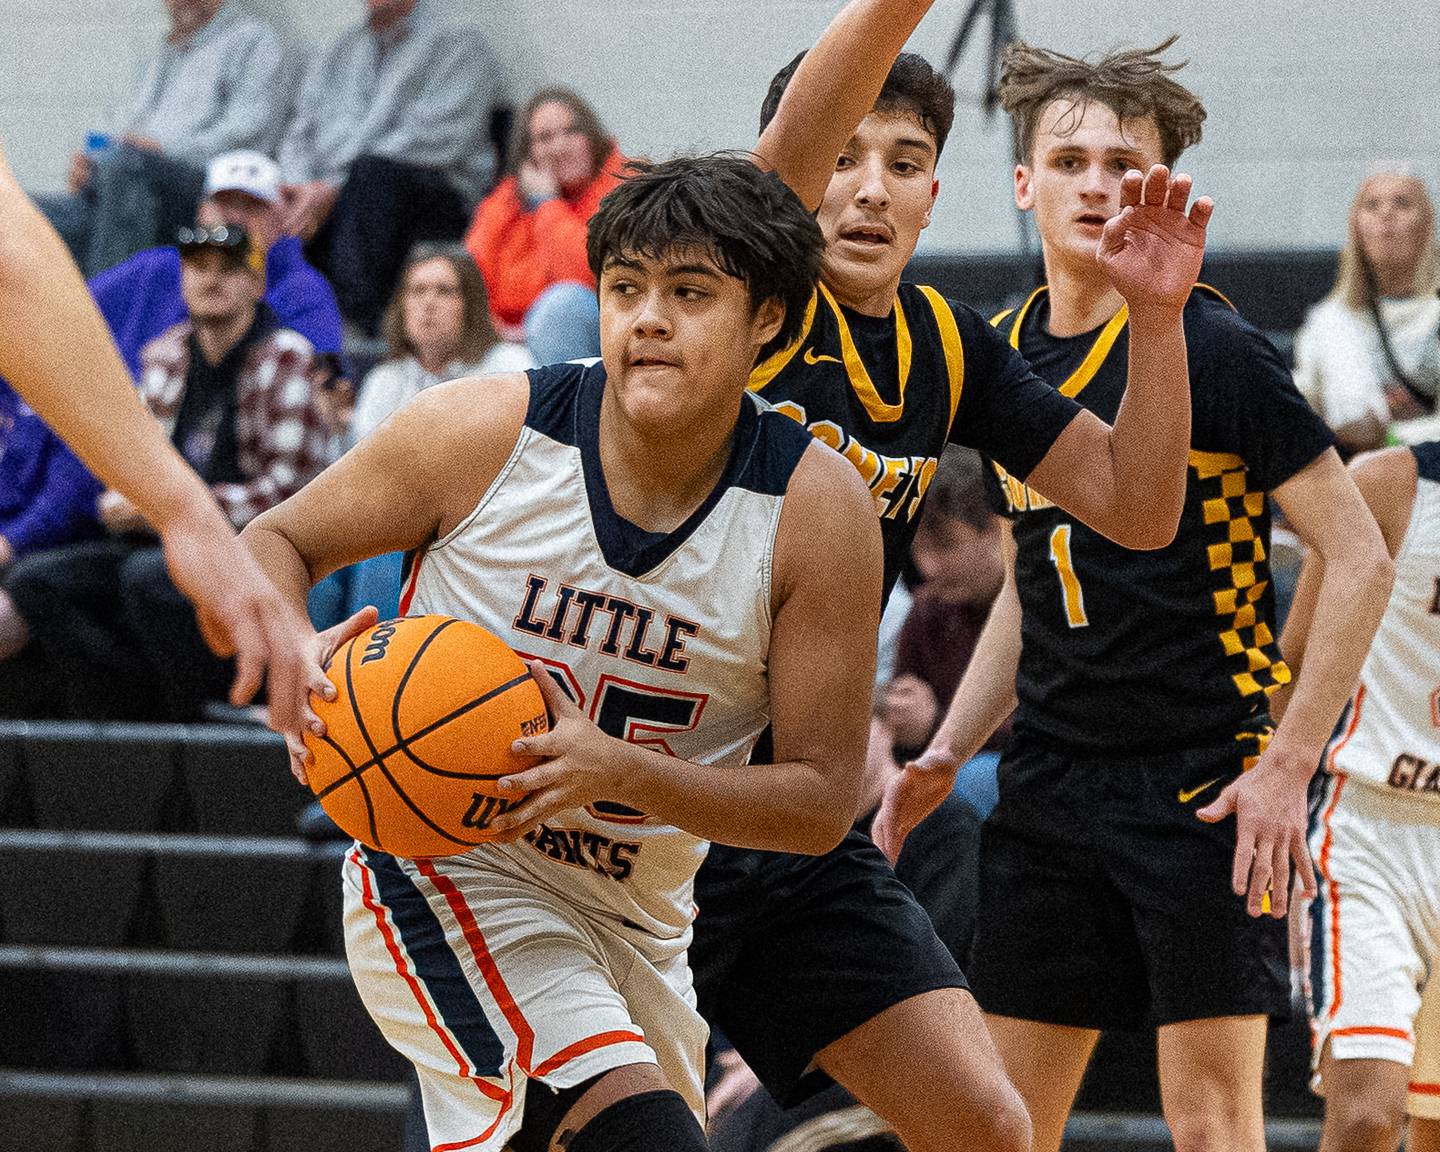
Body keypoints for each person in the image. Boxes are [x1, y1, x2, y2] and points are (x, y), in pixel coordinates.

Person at [243, 152, 881, 1152]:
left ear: (768, 319)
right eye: (624, 288)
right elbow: (270, 542)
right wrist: (297, 664)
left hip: (638, 920)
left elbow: (820, 801)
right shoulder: (483, 434)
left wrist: (624, 771)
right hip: (446, 873)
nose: (647, 319)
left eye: (689, 292)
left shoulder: (818, 515)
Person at [690, 33, 1213, 1152]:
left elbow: (1138, 505)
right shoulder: (745, 288)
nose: (872, 187)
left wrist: (1158, 327)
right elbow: (796, 136)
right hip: (656, 778)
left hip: (798, 813)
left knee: (990, 1126)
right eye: (844, 155)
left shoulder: (946, 343)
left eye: (907, 158)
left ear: (938, 192)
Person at [876, 39, 1394, 1152]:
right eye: (1069, 161)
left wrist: (1289, 764)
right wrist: (949, 748)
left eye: (1127, 163)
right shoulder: (1005, 352)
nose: (1098, 184)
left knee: (1211, 1126)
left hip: (1205, 779)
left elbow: (1359, 557)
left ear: (1164, 188)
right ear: (1024, 185)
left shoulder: (1213, 345)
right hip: (1051, 782)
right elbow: (1033, 573)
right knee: (1002, 1128)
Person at [0, 136, 310, 732]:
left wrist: (186, 511)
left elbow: (295, 496)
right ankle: (119, 726)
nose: (210, 279)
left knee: (144, 580)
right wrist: (161, 508)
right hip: (158, 535)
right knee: (44, 583)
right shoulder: (163, 355)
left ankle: (204, 720)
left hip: (254, 538)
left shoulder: (286, 356)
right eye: (197, 264)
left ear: (255, 283)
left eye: (227, 267)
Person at [1281, 442, 1440, 1152]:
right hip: (1368, 824)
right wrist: (1282, 813)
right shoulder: (1388, 484)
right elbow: (1293, 659)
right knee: (1366, 1115)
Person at [311, 242, 532, 625]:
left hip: (478, 527)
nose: (428, 303)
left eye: (444, 291)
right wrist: (333, 430)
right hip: (393, 520)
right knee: (317, 552)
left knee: (386, 553)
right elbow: (360, 478)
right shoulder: (385, 379)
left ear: (471, 304)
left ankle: (374, 676)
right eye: (417, 291)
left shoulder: (508, 368)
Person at [278, 0, 503, 335]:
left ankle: (363, 328)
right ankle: (280, 331)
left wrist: (332, 188)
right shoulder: (338, 50)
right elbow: (300, 130)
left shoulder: (460, 44)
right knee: (253, 197)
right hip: (333, 193)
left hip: (431, 195)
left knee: (372, 177)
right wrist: (298, 187)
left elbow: (432, 140)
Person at [36, 0, 292, 276]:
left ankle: (115, 312)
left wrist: (163, 150)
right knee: (29, 215)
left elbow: (250, 131)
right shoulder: (158, 52)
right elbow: (116, 125)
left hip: (196, 189)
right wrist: (91, 161)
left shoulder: (253, 40)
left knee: (128, 168)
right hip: (124, 184)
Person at [89, 150, 343, 379]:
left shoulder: (304, 289)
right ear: (201, 213)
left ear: (280, 218)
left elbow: (324, 382)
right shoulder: (154, 268)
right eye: (225, 202)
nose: (236, 217)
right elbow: (74, 313)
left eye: (253, 205)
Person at [465, 89, 625, 364]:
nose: (560, 147)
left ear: (592, 138)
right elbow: (469, 282)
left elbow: (586, 277)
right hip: (508, 344)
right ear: (528, 154)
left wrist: (547, 204)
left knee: (562, 308)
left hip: (594, 338)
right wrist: (493, 329)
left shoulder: (624, 188)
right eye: (545, 138)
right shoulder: (505, 201)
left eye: (572, 132)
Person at [1293, 168, 1440, 456]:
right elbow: (1304, 400)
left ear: (1426, 223)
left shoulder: (1434, 312)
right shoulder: (1329, 320)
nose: (1386, 214)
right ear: (1356, 227)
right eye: (1372, 205)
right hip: (1347, 479)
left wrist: (1390, 436)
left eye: (1402, 203)